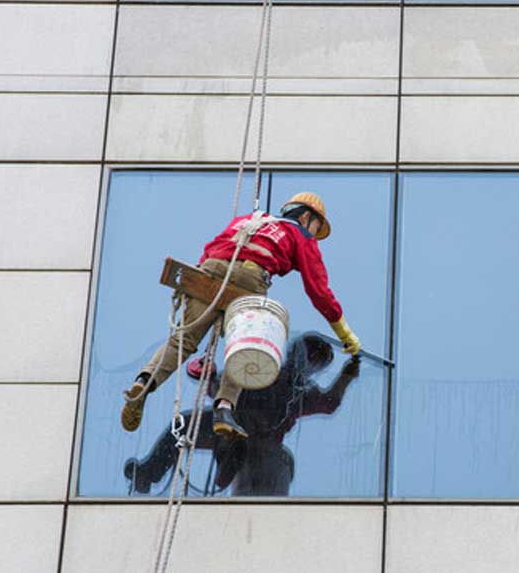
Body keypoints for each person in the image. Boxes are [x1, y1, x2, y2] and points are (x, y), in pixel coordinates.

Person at [120, 192, 361, 441]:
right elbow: (318, 289)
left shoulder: (250, 219)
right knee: (245, 349)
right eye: (316, 226)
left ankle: (144, 381)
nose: (315, 232)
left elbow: (212, 247)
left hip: (209, 271)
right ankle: (224, 409)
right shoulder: (300, 234)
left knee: (182, 341)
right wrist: (345, 333)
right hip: (249, 280)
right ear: (306, 216)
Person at [124, 333, 361, 496]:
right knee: (184, 424)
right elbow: (221, 387)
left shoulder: (298, 391)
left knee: (190, 425)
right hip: (230, 428)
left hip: (253, 440)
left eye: (315, 362)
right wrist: (209, 375)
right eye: (311, 358)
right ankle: (149, 473)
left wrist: (347, 375)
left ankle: (231, 455)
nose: (309, 364)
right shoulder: (266, 371)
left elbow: (329, 403)